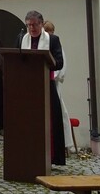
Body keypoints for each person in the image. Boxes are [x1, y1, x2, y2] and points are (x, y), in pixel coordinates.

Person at [20, 10, 66, 165]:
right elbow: (15, 60)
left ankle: (52, 156)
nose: (31, 28)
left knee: (50, 121)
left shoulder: (52, 40)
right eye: (29, 25)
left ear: (41, 24)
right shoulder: (21, 39)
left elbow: (59, 62)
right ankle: (28, 152)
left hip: (46, 85)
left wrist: (47, 59)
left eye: (34, 24)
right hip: (27, 86)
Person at [44, 20, 74, 153]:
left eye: (51, 32)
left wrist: (54, 76)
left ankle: (65, 144)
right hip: (43, 83)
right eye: (47, 32)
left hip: (53, 83)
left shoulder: (56, 45)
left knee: (60, 112)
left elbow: (61, 64)